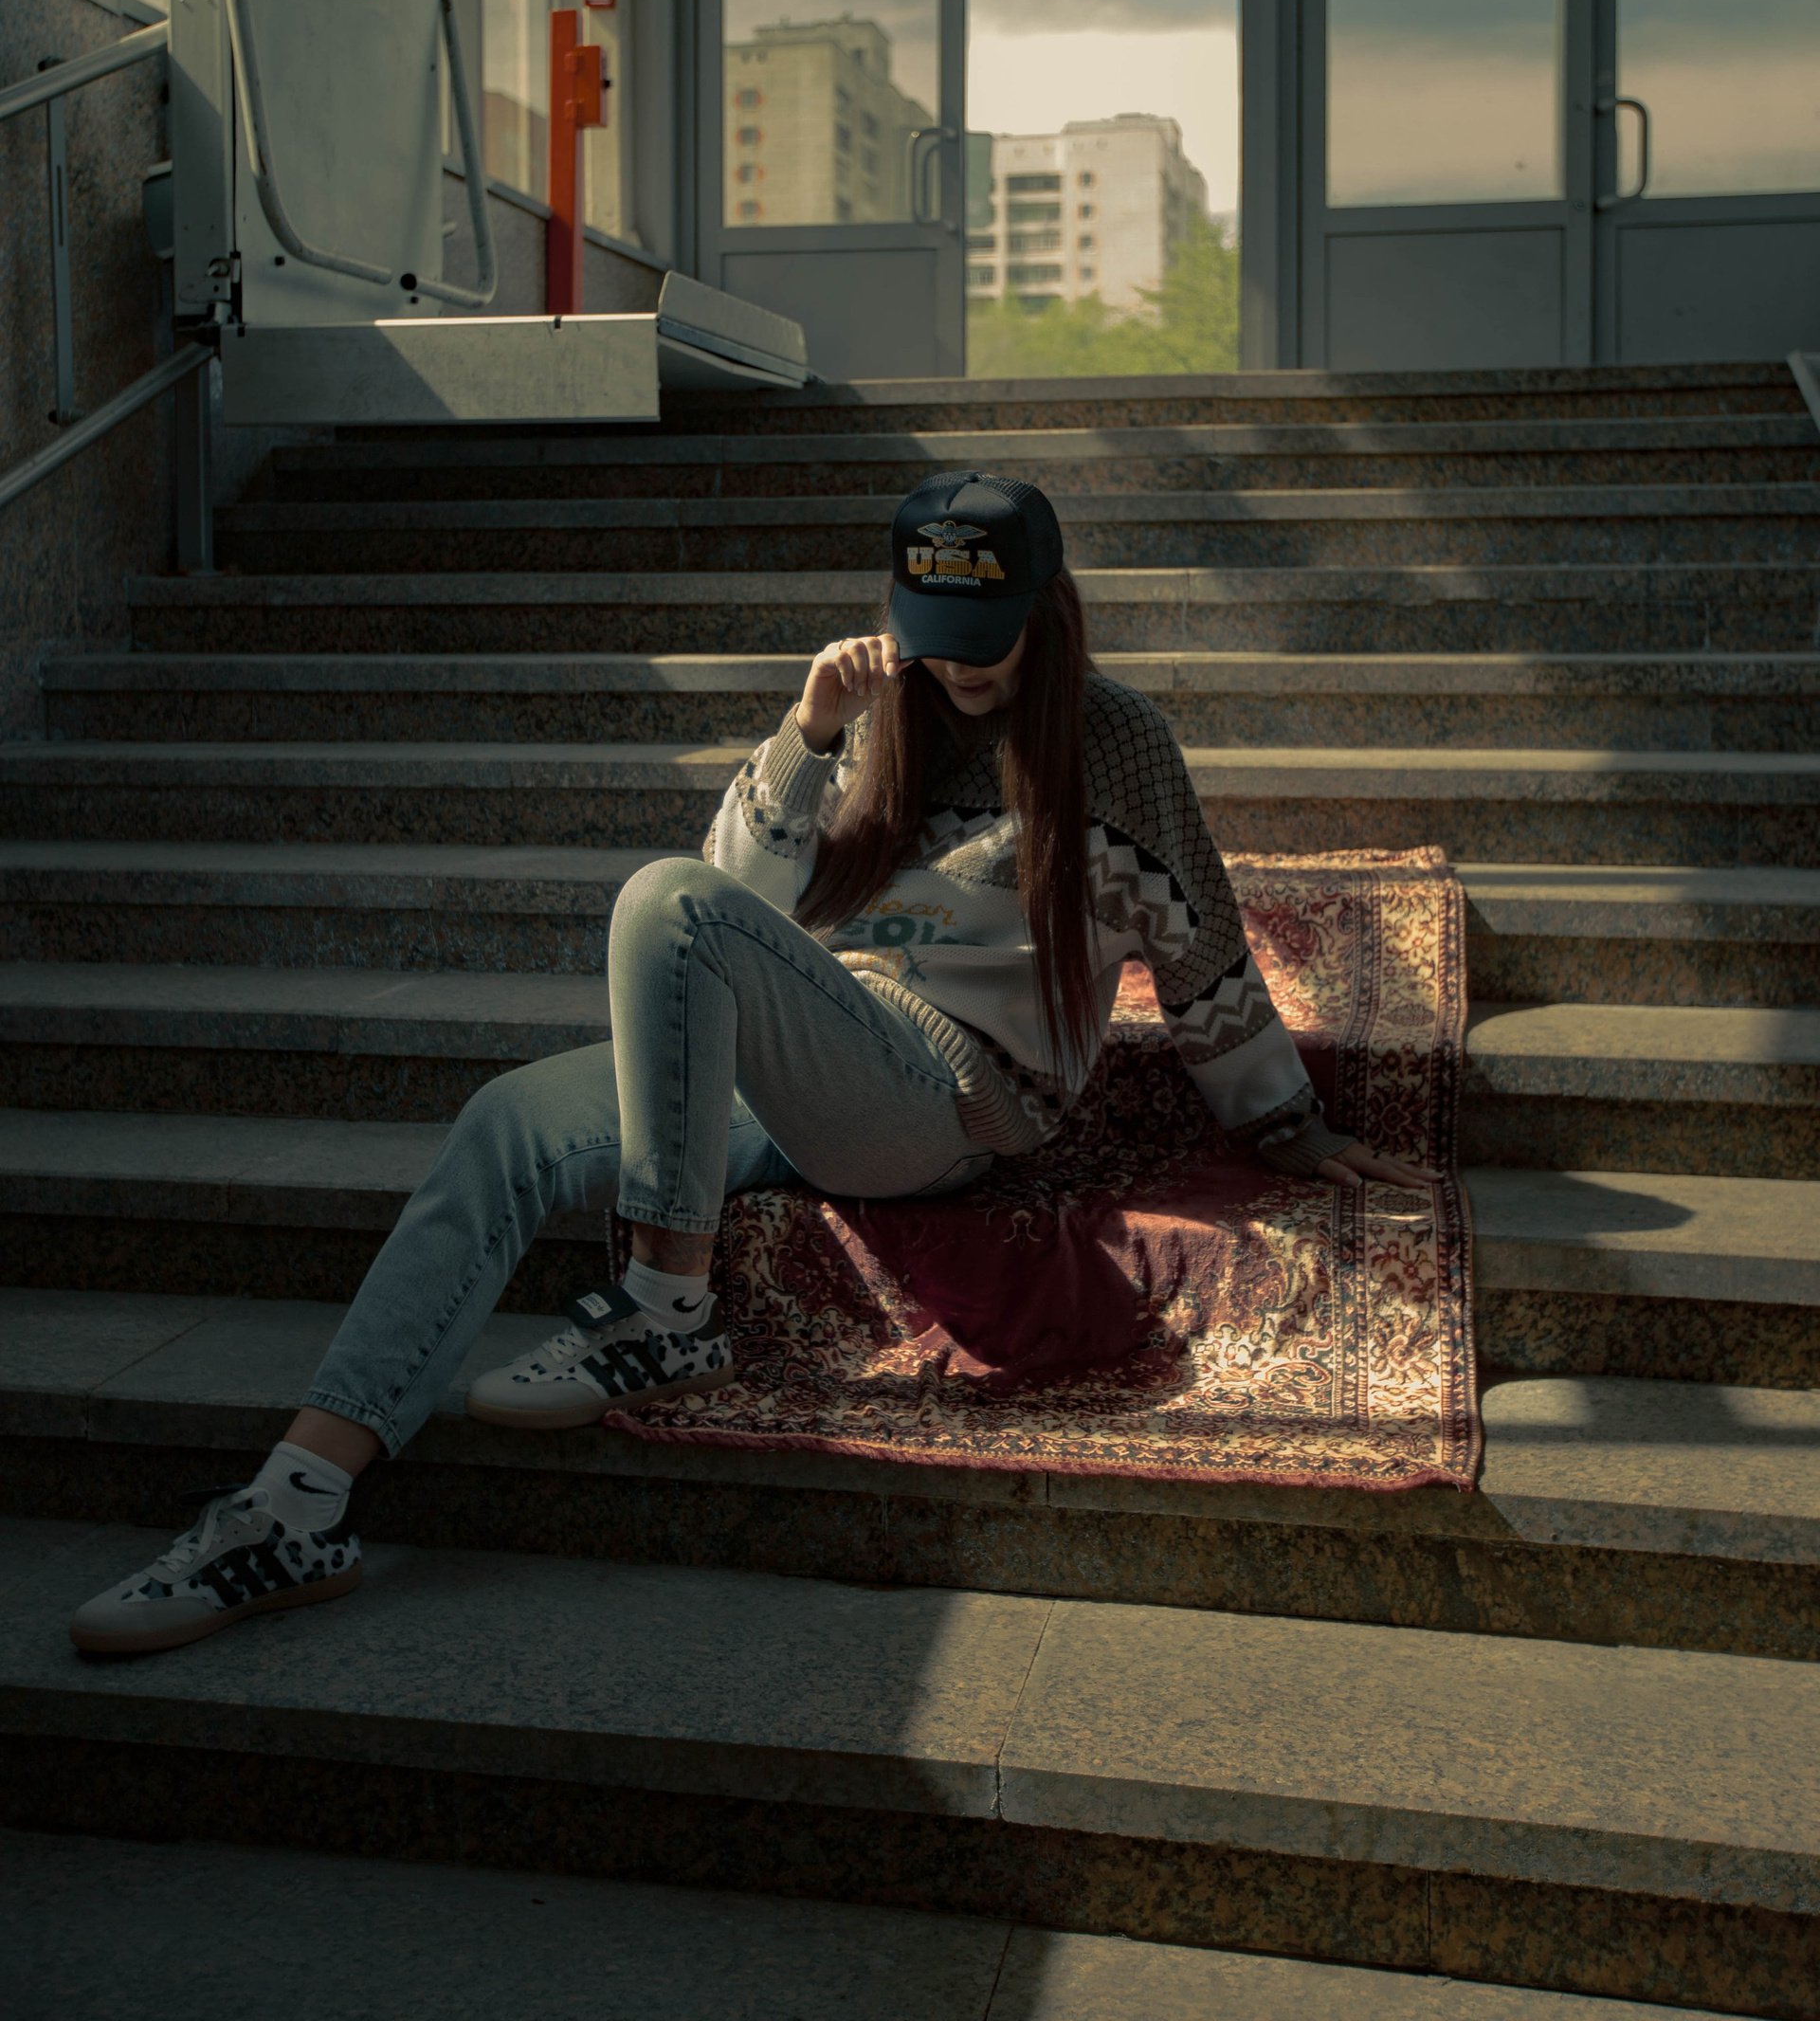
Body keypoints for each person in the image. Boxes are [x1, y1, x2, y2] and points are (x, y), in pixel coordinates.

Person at [70, 471, 1436, 1656]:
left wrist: (1288, 1127)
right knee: (506, 1121)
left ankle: (665, 1309)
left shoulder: (1115, 745)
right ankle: (296, 1506)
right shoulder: (884, 713)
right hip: (804, 1055)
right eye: (938, 636)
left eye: (989, 636)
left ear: (1050, 608)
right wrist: (807, 736)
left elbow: (1203, 952)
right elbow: (744, 905)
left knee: (666, 900)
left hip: (952, 1101)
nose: (961, 666)